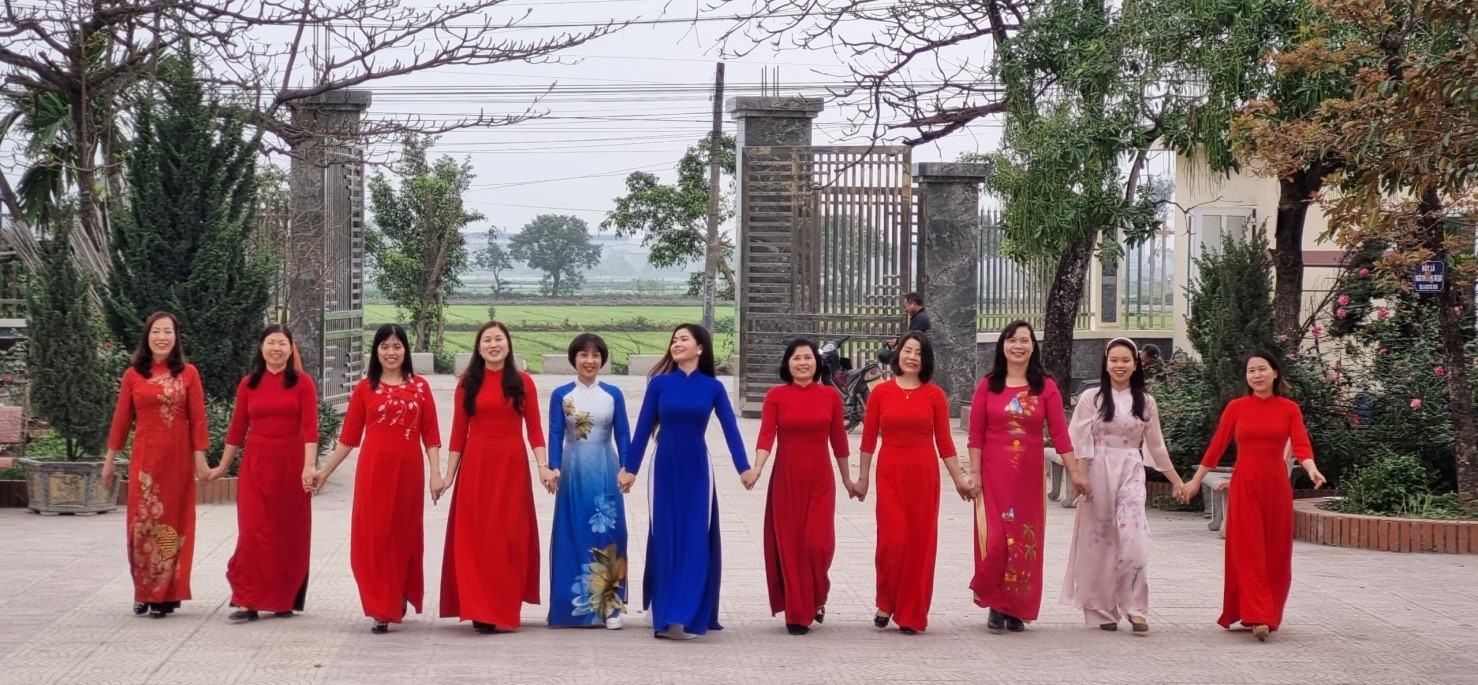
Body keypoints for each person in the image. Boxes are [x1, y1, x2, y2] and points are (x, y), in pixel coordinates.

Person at [1175, 350, 1327, 642]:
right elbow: (1216, 447)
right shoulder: (1236, 407)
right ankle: (1257, 615)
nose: (1256, 375)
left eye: (1261, 369)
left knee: (1275, 552)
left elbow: (1301, 444)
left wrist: (1312, 468)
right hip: (1245, 485)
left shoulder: (1289, 408)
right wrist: (1195, 481)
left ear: (1275, 373)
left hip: (1276, 487)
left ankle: (1268, 612)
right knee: (1248, 550)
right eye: (1251, 371)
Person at [617, 323, 757, 640]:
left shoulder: (713, 388)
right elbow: (643, 428)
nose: (677, 343)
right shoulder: (659, 384)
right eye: (674, 340)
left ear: (700, 348)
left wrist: (743, 468)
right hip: (664, 468)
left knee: (695, 539)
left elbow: (731, 429)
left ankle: (686, 613)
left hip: (697, 470)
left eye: (684, 339)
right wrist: (630, 468)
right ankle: (665, 612)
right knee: (665, 538)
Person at [311, 324, 442, 634]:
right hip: (373, 473)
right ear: (376, 351)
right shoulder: (364, 389)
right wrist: (324, 472)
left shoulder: (420, 387)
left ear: (405, 350)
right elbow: (348, 439)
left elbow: (431, 435)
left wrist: (436, 474)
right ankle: (381, 605)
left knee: (402, 536)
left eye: (397, 346)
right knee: (374, 537)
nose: (391, 352)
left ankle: (396, 594)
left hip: (409, 473)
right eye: (385, 346)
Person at [967, 320, 1086, 634]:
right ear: (1002, 345)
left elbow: (1060, 436)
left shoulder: (1045, 387)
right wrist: (974, 474)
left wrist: (1075, 473)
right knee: (996, 540)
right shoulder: (988, 385)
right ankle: (995, 603)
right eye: (1012, 340)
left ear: (1033, 347)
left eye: (1024, 340)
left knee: (1023, 542)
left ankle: (1015, 609)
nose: (1018, 346)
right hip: (993, 477)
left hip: (1028, 481)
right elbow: (975, 435)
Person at [1062, 337, 1186, 634]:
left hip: (1131, 468)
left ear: (1135, 364)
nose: (1120, 365)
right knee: (1100, 541)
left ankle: (1135, 608)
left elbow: (1156, 447)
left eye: (1126, 360)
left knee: (1134, 538)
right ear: (1106, 364)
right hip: (1097, 471)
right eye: (1114, 360)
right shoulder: (1091, 398)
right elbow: (1078, 441)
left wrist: (1178, 482)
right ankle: (1103, 609)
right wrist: (1078, 477)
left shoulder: (1146, 401)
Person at [853, 331, 974, 635]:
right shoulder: (881, 393)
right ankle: (886, 601)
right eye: (908, 350)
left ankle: (911, 613)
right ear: (898, 354)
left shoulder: (934, 395)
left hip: (924, 477)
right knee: (892, 542)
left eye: (919, 353)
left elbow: (944, 442)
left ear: (926, 359)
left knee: (920, 545)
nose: (912, 357)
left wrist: (959, 480)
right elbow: (868, 440)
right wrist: (863, 478)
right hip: (890, 475)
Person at [439, 321, 546, 634]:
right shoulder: (467, 383)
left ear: (508, 345)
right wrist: (448, 476)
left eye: (499, 339)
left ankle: (504, 605)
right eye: (487, 340)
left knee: (509, 536)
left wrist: (542, 464)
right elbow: (458, 433)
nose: (493, 345)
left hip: (511, 467)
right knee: (476, 538)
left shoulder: (523, 382)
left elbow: (535, 428)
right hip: (476, 467)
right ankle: (479, 608)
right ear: (479, 347)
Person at [103, 312, 210, 619]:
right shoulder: (133, 375)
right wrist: (109, 461)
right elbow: (122, 421)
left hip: (177, 461)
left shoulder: (188, 373)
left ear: (176, 338)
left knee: (173, 526)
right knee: (141, 526)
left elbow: (198, 420)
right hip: (145, 462)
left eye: (168, 332)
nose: (162, 337)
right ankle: (143, 592)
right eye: (156, 331)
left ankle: (165, 595)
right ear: (147, 336)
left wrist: (200, 461)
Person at [214, 324, 319, 623]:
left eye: (282, 343)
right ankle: (248, 600)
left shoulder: (303, 383)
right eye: (271, 342)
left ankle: (283, 599)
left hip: (291, 465)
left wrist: (309, 466)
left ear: (291, 348)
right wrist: (221, 467)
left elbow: (311, 428)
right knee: (252, 532)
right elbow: (237, 429)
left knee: (287, 532)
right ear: (261, 347)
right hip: (256, 465)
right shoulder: (248, 384)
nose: (276, 348)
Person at [753, 338, 852, 635]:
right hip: (786, 481)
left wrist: (848, 479)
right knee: (793, 547)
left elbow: (839, 441)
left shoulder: (829, 396)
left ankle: (818, 595)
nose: (803, 363)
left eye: (808, 357)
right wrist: (757, 468)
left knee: (818, 544)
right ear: (788, 363)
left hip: (821, 481)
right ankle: (798, 613)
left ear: (816, 362)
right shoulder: (776, 396)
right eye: (796, 358)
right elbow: (766, 435)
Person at [546, 333, 631, 630]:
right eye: (583, 355)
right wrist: (553, 467)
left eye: (595, 355)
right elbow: (555, 433)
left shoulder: (613, 394)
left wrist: (627, 467)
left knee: (609, 534)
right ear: (574, 359)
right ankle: (570, 606)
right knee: (572, 531)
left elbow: (623, 433)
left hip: (606, 469)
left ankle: (611, 608)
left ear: (602, 360)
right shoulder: (561, 395)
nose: (589, 360)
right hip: (573, 470)